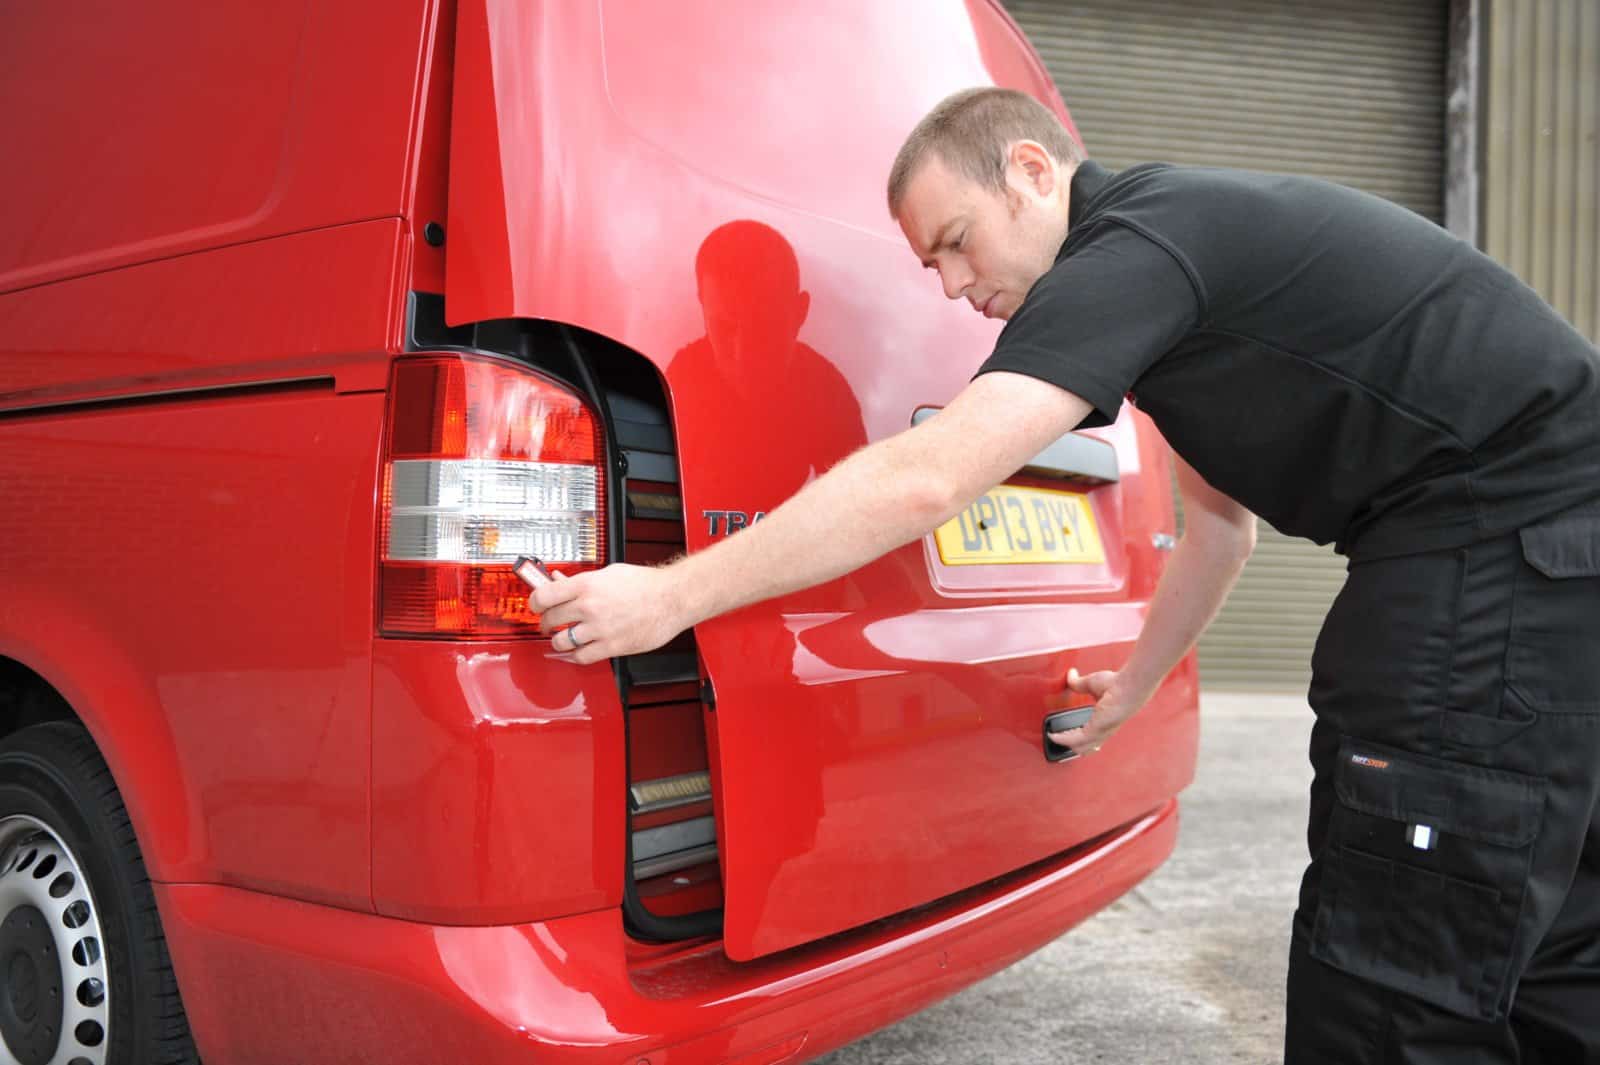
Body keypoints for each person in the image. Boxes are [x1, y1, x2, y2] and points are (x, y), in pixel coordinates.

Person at [530, 87, 1600, 1062]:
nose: (953, 287)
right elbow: (1221, 529)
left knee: (1391, 993)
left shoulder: (1136, 244)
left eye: (955, 242)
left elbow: (930, 477)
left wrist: (665, 594)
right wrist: (1133, 686)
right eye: (930, 267)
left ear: (1036, 176)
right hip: (1555, 572)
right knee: (1545, 951)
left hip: (1500, 558)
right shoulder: (1183, 283)